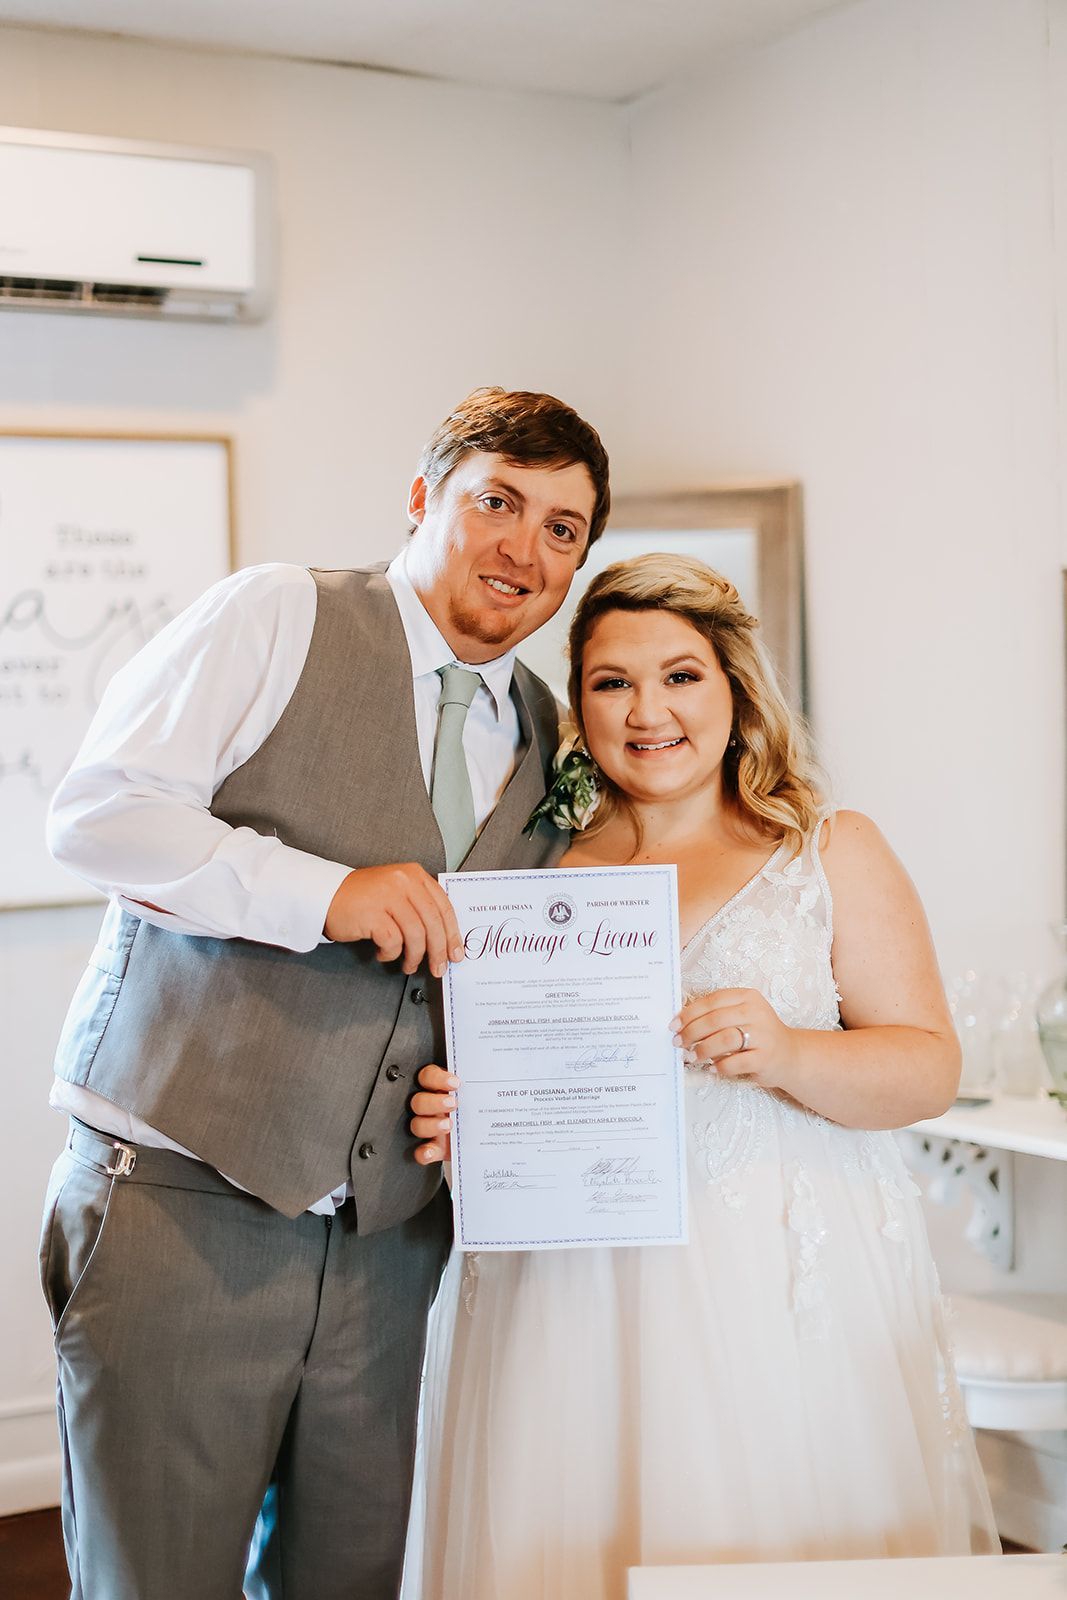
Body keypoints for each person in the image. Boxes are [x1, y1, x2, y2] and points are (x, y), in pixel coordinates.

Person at [39, 387, 610, 1600]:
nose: (523, 547)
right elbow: (97, 814)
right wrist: (323, 891)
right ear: (421, 499)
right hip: (182, 1204)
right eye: (496, 502)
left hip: (392, 1248)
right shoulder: (276, 615)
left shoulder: (547, 731)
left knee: (349, 1579)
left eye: (561, 528)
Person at [407, 553, 999, 1597]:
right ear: (578, 701)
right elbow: (499, 1075)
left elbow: (927, 1067)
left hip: (773, 1292)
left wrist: (790, 1052)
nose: (648, 712)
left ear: (734, 687)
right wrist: (467, 1122)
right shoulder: (527, 871)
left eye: (680, 676)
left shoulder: (824, 851)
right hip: (568, 1295)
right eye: (612, 682)